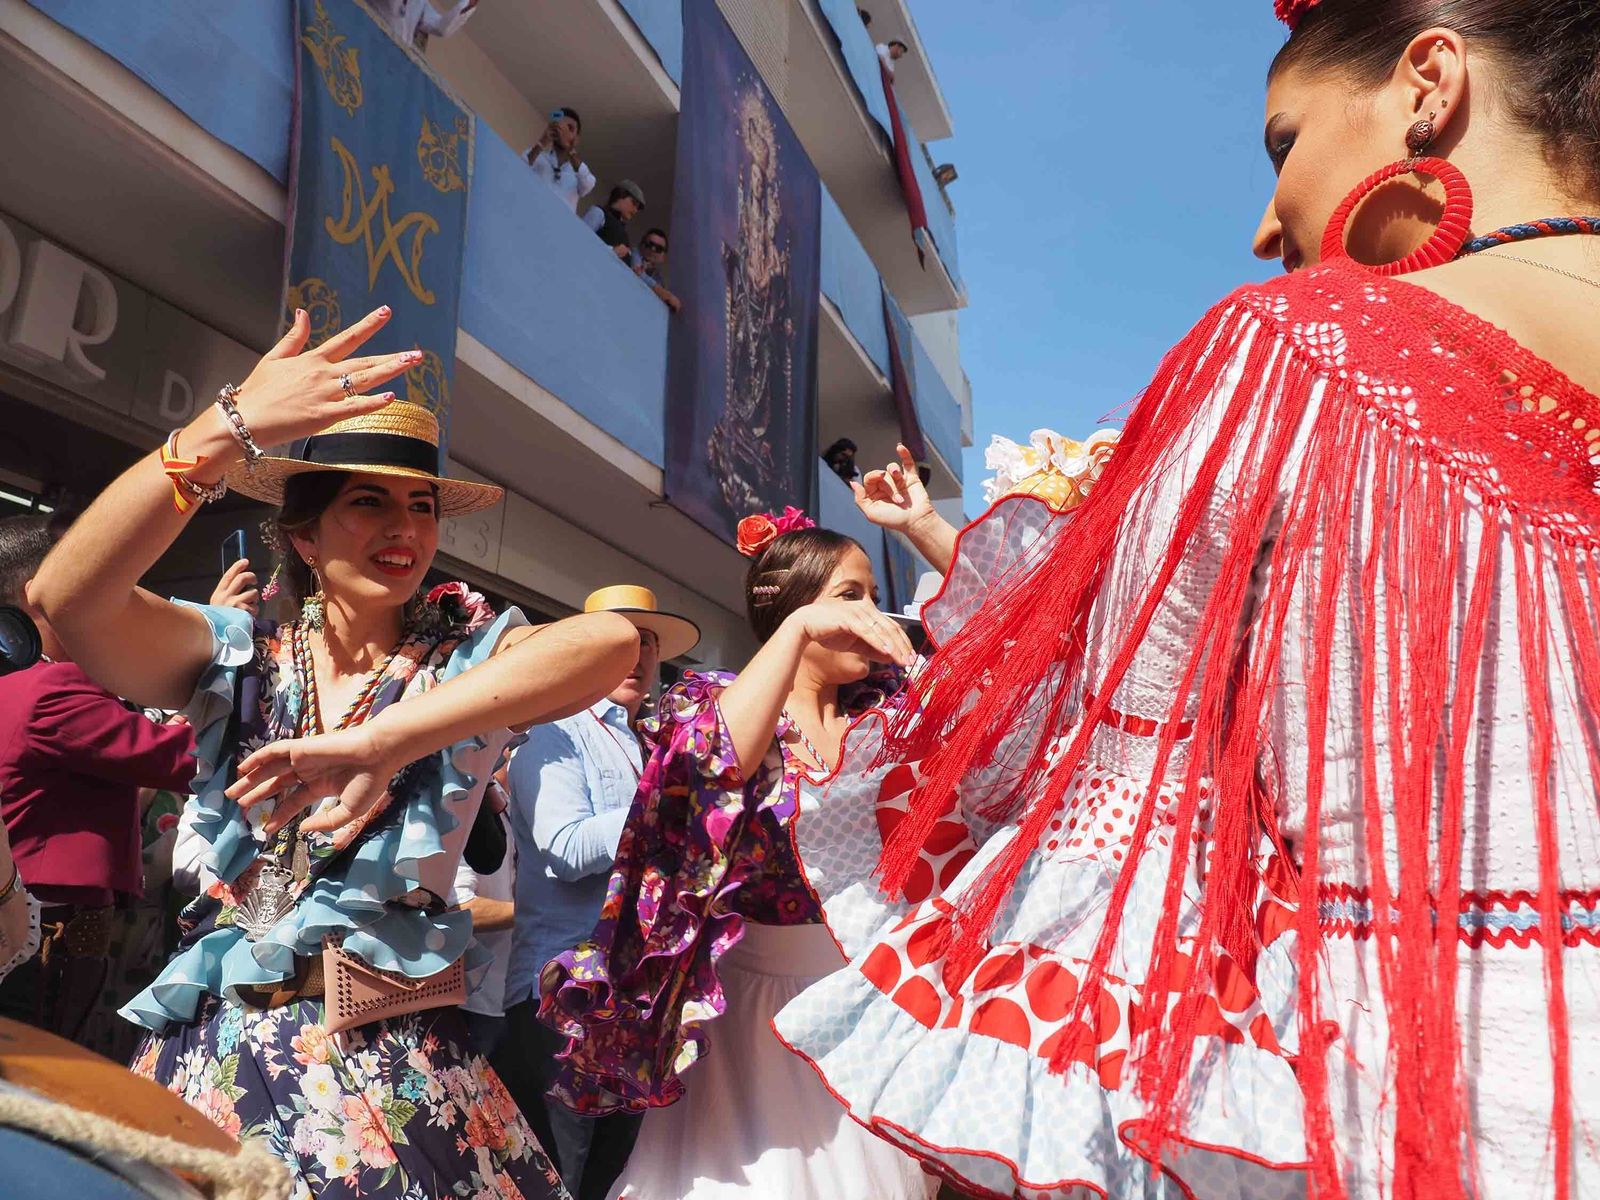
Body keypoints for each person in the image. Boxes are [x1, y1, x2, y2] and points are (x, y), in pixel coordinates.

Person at [771, 3, 1600, 1198]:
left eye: (1282, 143)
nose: (1269, 224)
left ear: (1429, 80)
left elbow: (1106, 789)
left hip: (1437, 1112)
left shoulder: (1297, 353)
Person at [29, 302, 643, 1199]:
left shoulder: (463, 660)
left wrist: (386, 740)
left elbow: (611, 646)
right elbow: (66, 599)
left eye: (421, 506)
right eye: (370, 502)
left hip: (395, 1068)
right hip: (219, 1058)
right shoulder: (238, 658)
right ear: (305, 537)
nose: (406, 528)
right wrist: (221, 430)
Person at [541, 514, 935, 1200]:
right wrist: (797, 631)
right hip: (755, 1012)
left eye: (874, 595)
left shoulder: (886, 711)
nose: (873, 615)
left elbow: (1015, 651)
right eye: (852, 595)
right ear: (798, 610)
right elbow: (714, 765)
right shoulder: (715, 703)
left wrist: (924, 524)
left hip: (867, 1002)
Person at [495, 585, 700, 1200]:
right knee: (562, 1179)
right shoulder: (555, 730)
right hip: (563, 999)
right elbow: (567, 847)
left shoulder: (648, 742)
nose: (637, 656)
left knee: (612, 1181)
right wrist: (667, 802)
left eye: (649, 644)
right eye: (622, 641)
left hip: (631, 1003)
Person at [0, 512, 199, 1047]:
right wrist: (211, 641)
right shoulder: (51, 688)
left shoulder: (24, 683)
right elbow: (179, 758)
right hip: (46, 943)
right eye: (91, 574)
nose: (105, 592)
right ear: (38, 592)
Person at [451, 781, 516, 1059]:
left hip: (509, 996)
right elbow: (459, 906)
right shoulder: (457, 792)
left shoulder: (497, 794)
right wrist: (537, 913)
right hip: (474, 1003)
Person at [527, 108, 596, 214]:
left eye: (570, 128)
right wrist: (541, 142)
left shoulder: (578, 172)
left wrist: (571, 150)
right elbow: (518, 168)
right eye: (562, 125)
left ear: (577, 139)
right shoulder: (538, 157)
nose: (565, 131)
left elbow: (588, 185)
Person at [583, 182, 645, 261]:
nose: (635, 210)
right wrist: (611, 251)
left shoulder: (624, 234)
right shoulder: (599, 213)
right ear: (621, 195)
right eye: (634, 203)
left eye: (638, 208)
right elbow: (580, 240)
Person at [632, 229, 681, 313]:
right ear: (642, 245)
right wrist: (665, 295)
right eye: (650, 245)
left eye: (659, 248)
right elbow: (637, 272)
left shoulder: (658, 279)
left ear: (663, 257)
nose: (653, 249)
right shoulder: (634, 254)